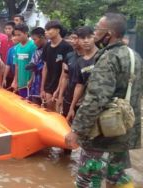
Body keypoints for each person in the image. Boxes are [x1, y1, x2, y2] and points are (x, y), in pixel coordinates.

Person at [65, 13, 142, 188]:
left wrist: (76, 130)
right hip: (124, 129)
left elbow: (96, 98)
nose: (96, 33)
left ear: (110, 33)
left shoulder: (108, 57)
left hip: (103, 132)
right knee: (115, 176)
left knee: (87, 178)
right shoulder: (134, 56)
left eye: (98, 29)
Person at [66, 26, 97, 122]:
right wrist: (72, 107)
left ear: (94, 37)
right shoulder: (80, 62)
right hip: (84, 105)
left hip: (99, 104)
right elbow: (79, 85)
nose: (86, 41)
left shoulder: (103, 56)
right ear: (78, 40)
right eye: (83, 38)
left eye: (89, 37)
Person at [41, 20, 73, 111]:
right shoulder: (46, 46)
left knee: (58, 112)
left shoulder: (67, 47)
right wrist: (42, 88)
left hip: (62, 86)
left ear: (58, 30)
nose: (46, 32)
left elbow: (64, 72)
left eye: (48, 29)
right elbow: (45, 68)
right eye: (45, 30)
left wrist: (58, 90)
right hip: (48, 85)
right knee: (48, 110)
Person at [57, 29, 83, 117]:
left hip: (82, 102)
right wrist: (60, 96)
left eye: (76, 38)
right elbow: (65, 77)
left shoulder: (92, 58)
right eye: (72, 38)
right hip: (68, 98)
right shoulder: (69, 56)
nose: (73, 41)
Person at [11, 24, 37, 98]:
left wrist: (31, 80)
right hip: (20, 83)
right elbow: (17, 65)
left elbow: (35, 65)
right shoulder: (17, 47)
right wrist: (15, 81)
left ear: (26, 33)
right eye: (15, 35)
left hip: (30, 83)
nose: (16, 37)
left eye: (19, 35)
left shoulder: (33, 46)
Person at [26, 27, 47, 105]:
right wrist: (31, 80)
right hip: (36, 81)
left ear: (42, 37)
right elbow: (34, 67)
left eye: (35, 39)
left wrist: (43, 88)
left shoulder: (49, 49)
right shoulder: (37, 50)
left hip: (46, 83)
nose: (34, 42)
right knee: (34, 102)